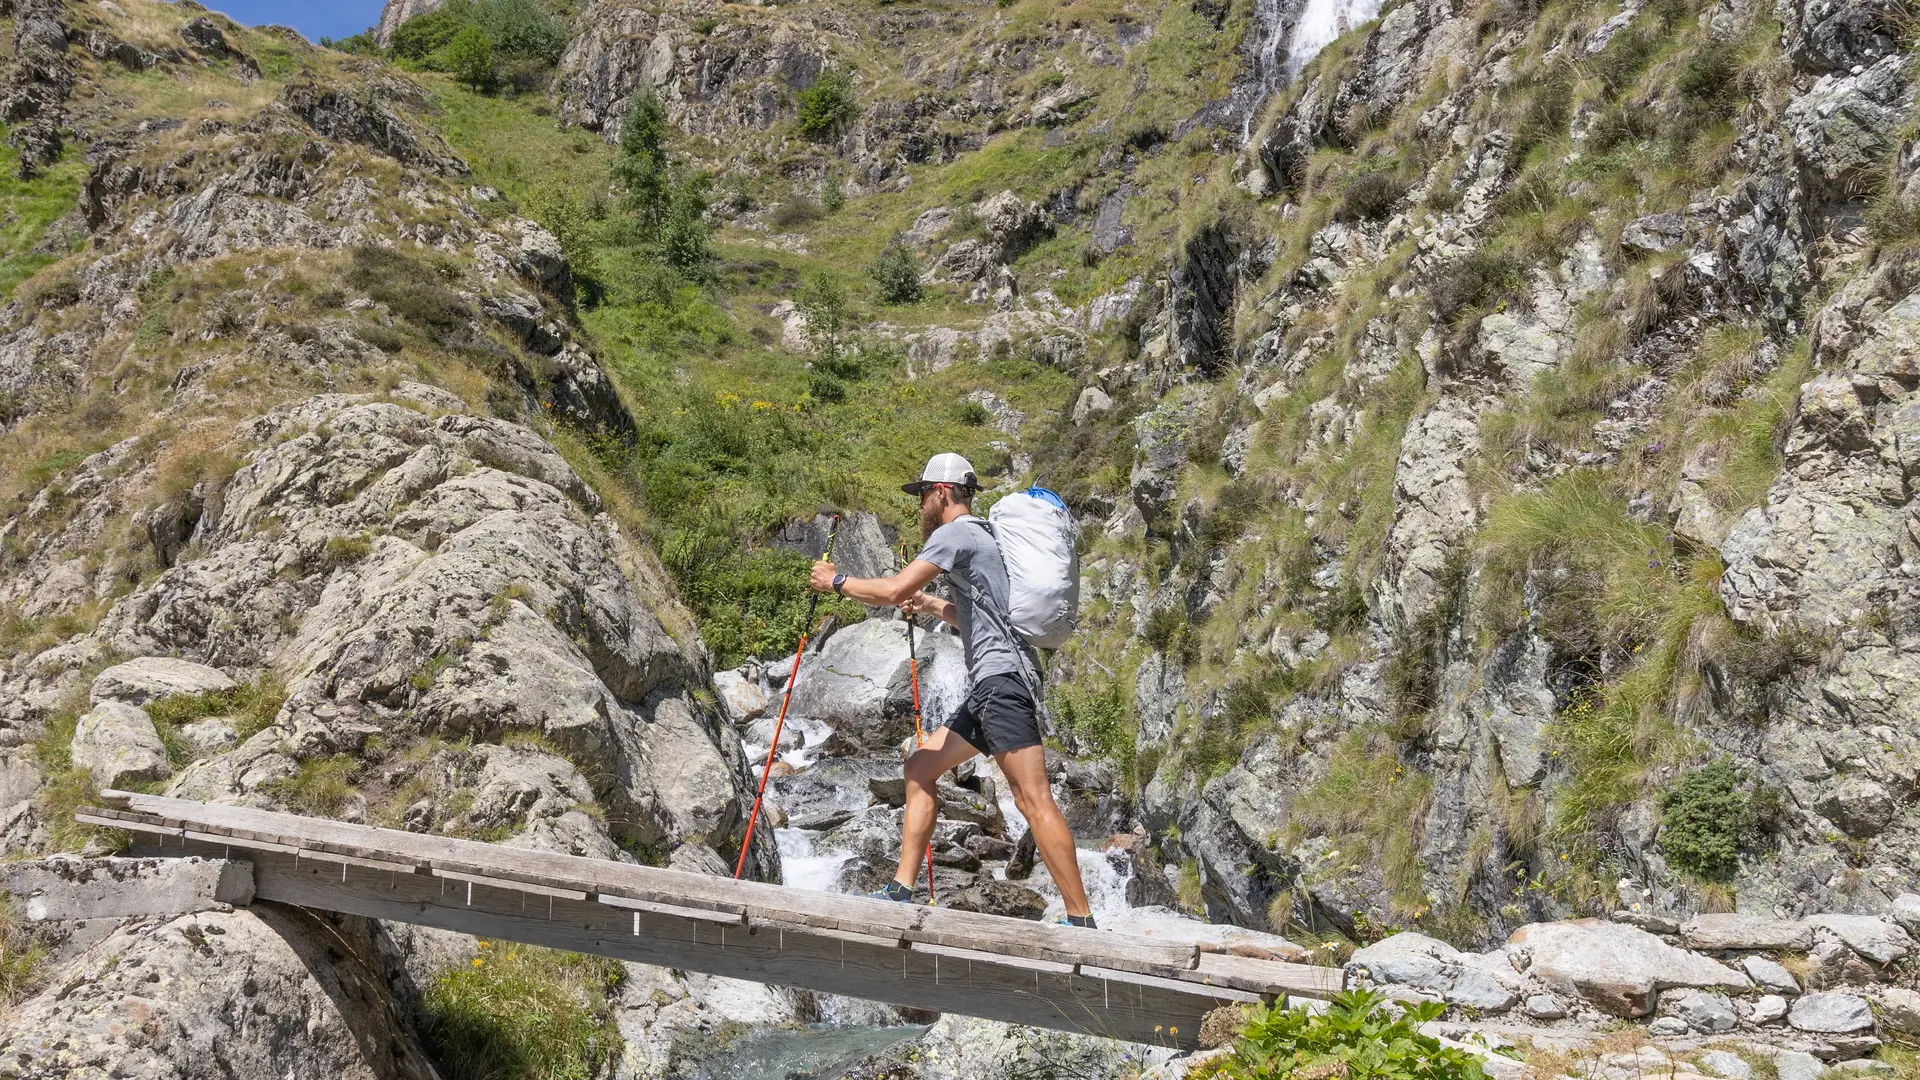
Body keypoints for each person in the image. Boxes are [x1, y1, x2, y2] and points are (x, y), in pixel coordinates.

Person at [809, 453, 1097, 928]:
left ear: (941, 492)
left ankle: (1081, 920)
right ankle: (902, 890)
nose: (919, 504)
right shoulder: (984, 537)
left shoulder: (954, 533)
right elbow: (975, 619)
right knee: (919, 767)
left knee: (1032, 798)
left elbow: (891, 590)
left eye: (922, 494)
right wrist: (930, 604)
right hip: (991, 684)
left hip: (1004, 682)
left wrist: (837, 581)